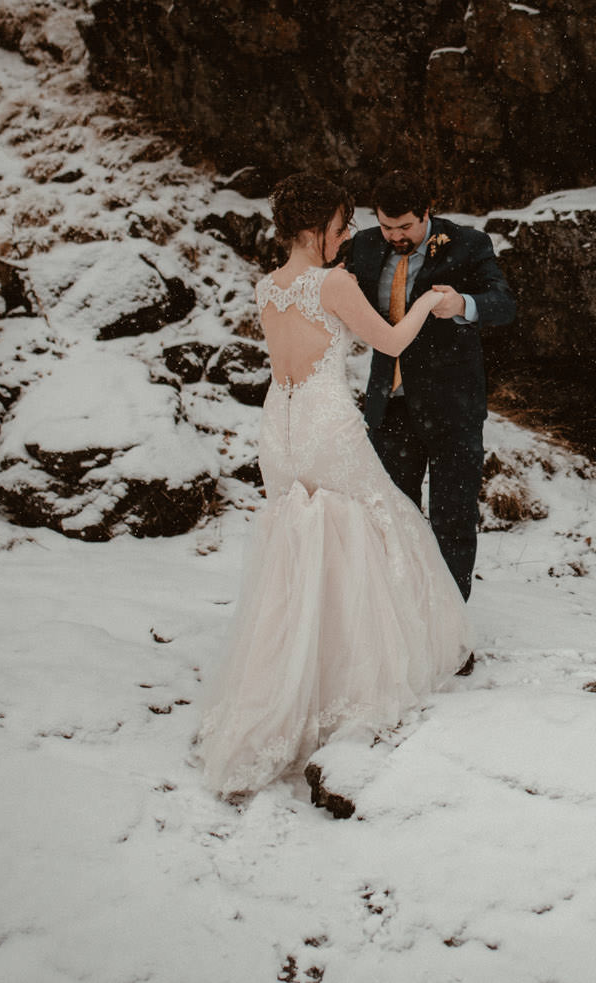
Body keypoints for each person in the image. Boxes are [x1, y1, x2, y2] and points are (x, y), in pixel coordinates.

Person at [193, 172, 471, 800]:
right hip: (323, 421)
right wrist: (431, 302)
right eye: (342, 226)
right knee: (376, 521)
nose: (347, 237)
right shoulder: (334, 283)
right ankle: (349, 678)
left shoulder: (266, 286)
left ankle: (286, 681)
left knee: (303, 539)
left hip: (279, 425)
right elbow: (392, 341)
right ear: (316, 229)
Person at [343, 171, 516, 602]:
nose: (395, 236)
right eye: (386, 226)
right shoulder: (363, 245)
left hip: (452, 409)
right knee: (389, 518)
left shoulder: (468, 243)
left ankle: (450, 629)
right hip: (390, 406)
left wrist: (463, 304)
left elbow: (504, 305)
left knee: (452, 521)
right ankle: (398, 621)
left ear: (426, 213)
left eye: (405, 227)